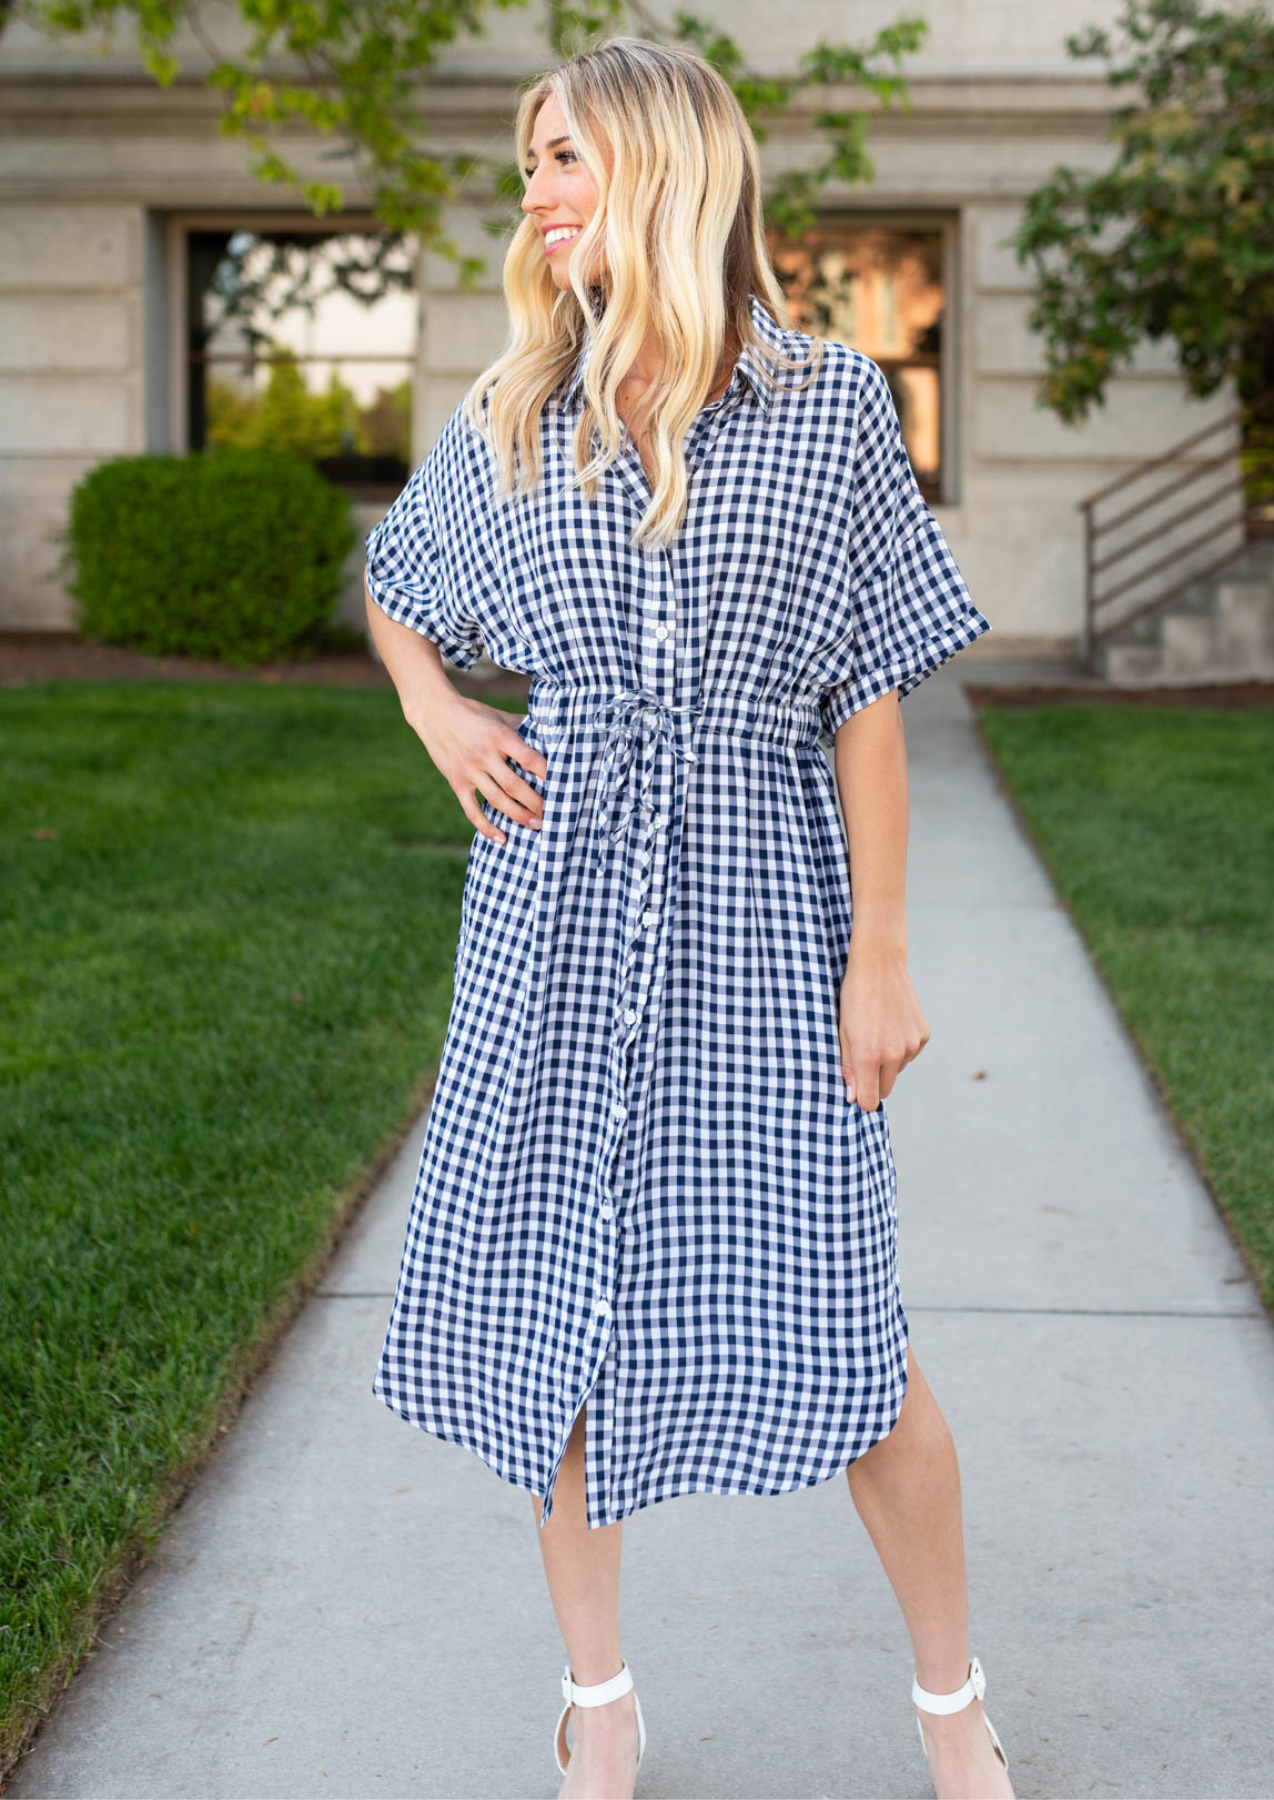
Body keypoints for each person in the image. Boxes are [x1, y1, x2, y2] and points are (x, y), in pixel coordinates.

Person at [363, 35, 1015, 1800]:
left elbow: (869, 691)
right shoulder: (513, 408)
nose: (536, 191)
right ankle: (601, 1709)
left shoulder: (826, 409)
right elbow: (397, 583)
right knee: (561, 1321)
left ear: (662, 165)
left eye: (563, 155)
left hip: (764, 916)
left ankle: (954, 1716)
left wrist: (879, 953)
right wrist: (434, 706)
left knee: (855, 1346)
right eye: (526, 165)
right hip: (551, 924)